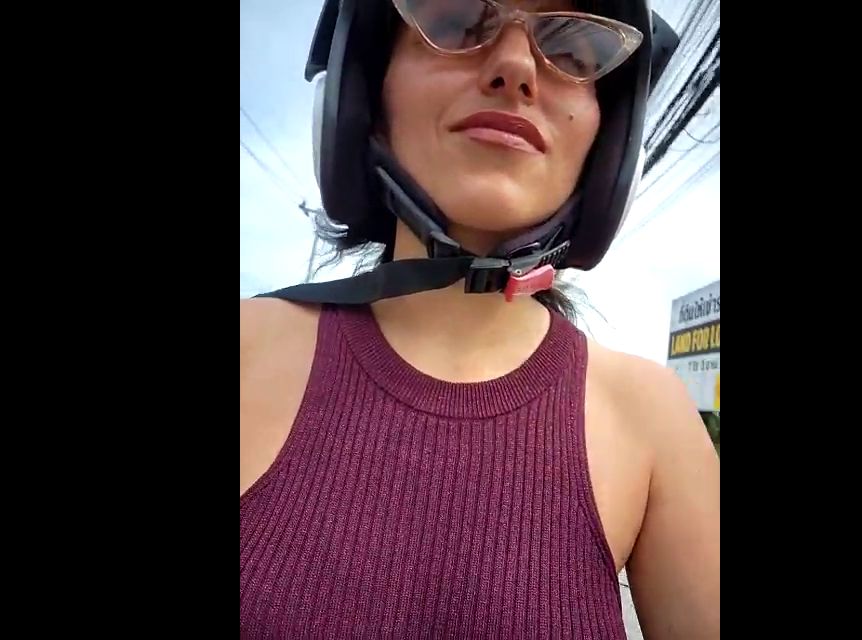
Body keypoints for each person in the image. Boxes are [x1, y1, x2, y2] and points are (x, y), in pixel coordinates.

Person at [240, 0, 719, 638]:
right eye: (454, 19)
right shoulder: (247, 348)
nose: (516, 66)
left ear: (607, 141)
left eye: (574, 50)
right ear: (369, 89)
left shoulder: (652, 418)